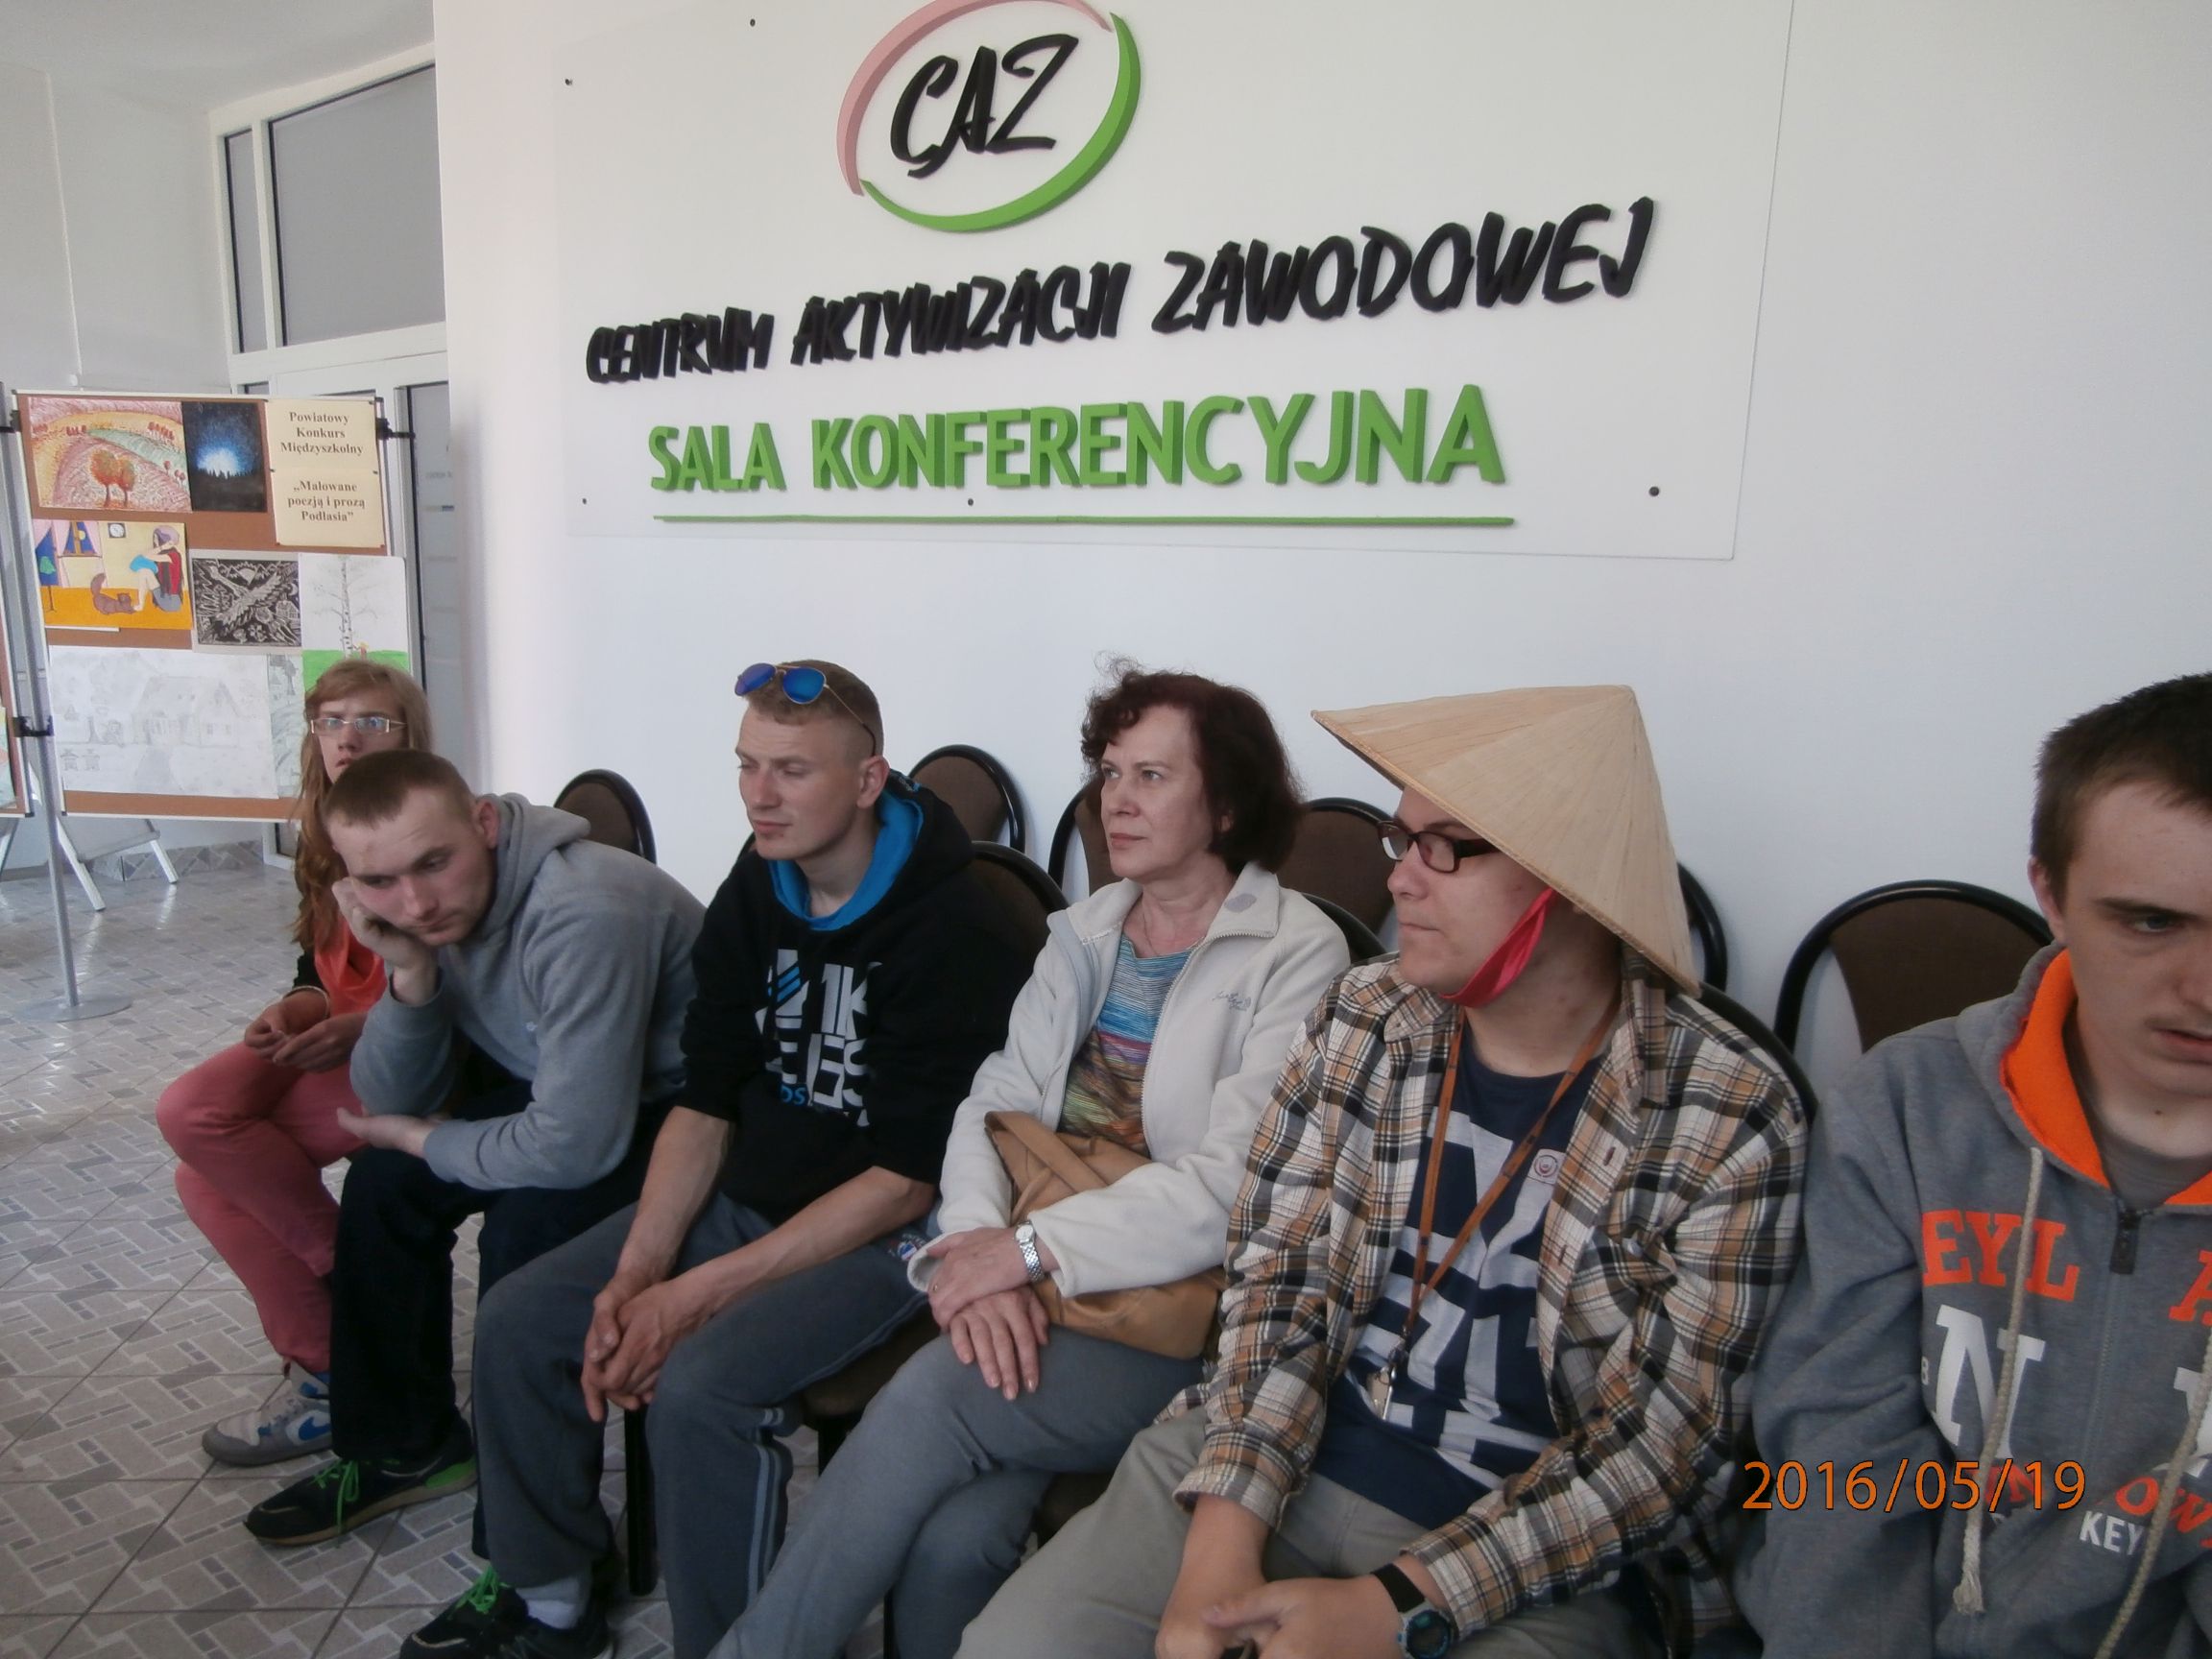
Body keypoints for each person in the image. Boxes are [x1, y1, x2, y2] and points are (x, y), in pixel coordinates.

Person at [960, 684, 1810, 1659]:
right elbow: (1276, 1285)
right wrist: (1219, 1551)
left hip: (1533, 1552)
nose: (1401, 879)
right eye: (1402, 841)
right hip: (1278, 1449)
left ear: (1568, 882)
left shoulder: (1725, 1111)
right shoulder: (1366, 1018)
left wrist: (1395, 1605)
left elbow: (1659, 1454)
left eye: (1444, 847)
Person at [398, 660, 1033, 1659]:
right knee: (523, 1318)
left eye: (792, 771)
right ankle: (553, 1602)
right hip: (759, 1197)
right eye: (746, 765)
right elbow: (705, 1100)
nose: (758, 796)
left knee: (702, 1390)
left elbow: (905, 1180)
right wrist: (640, 1273)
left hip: (900, 1233)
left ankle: (731, 1646)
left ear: (867, 781)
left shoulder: (956, 926)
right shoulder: (761, 875)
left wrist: (692, 1298)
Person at [717, 665, 1351, 1659]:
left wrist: (1019, 1253)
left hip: (1183, 1313)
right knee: (955, 1535)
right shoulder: (1086, 932)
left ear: (1227, 804)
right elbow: (993, 1105)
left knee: (927, 1401)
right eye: (1110, 772)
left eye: (1152, 777)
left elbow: (1234, 1185)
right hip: (1044, 1272)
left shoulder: (1297, 954)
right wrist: (976, 1250)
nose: (1116, 801)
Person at [1737, 673, 2212, 1658]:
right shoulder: (1908, 1110)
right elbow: (1837, 1457)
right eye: (2151, 922)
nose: (2205, 989)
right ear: (2052, 896)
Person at [243, 748, 705, 1547]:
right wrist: (410, 973)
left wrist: (431, 1138)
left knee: (524, 1234)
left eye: (434, 863)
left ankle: (537, 1554)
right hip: (571, 1090)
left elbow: (575, 1148)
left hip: (686, 1114)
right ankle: (405, 1449)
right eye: (380, 882)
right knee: (383, 1182)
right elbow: (390, 1100)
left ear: (484, 824)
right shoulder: (423, 920)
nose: (416, 903)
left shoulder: (583, 909)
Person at [159, 660, 432, 1466]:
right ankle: (341, 1350)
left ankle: (343, 1310)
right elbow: (317, 971)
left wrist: (354, 1027)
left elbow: (456, 986)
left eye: (373, 722)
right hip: (335, 1035)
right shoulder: (320, 828)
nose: (348, 738)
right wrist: (298, 1009)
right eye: (331, 721)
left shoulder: (428, 828)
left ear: (409, 736)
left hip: (404, 1044)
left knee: (204, 1170)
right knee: (191, 1125)